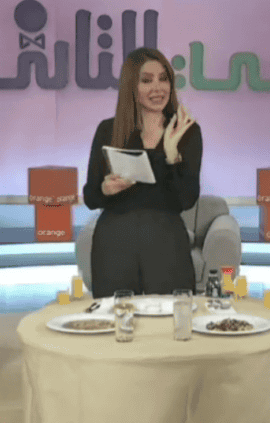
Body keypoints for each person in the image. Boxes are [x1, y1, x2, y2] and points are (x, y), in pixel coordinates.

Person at [82, 47, 202, 298]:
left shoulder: (187, 132)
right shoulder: (108, 130)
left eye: (163, 79)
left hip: (166, 243)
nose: (157, 88)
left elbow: (186, 199)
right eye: (146, 80)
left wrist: (171, 154)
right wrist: (106, 188)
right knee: (116, 317)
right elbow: (91, 197)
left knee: (172, 317)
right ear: (131, 87)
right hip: (115, 242)